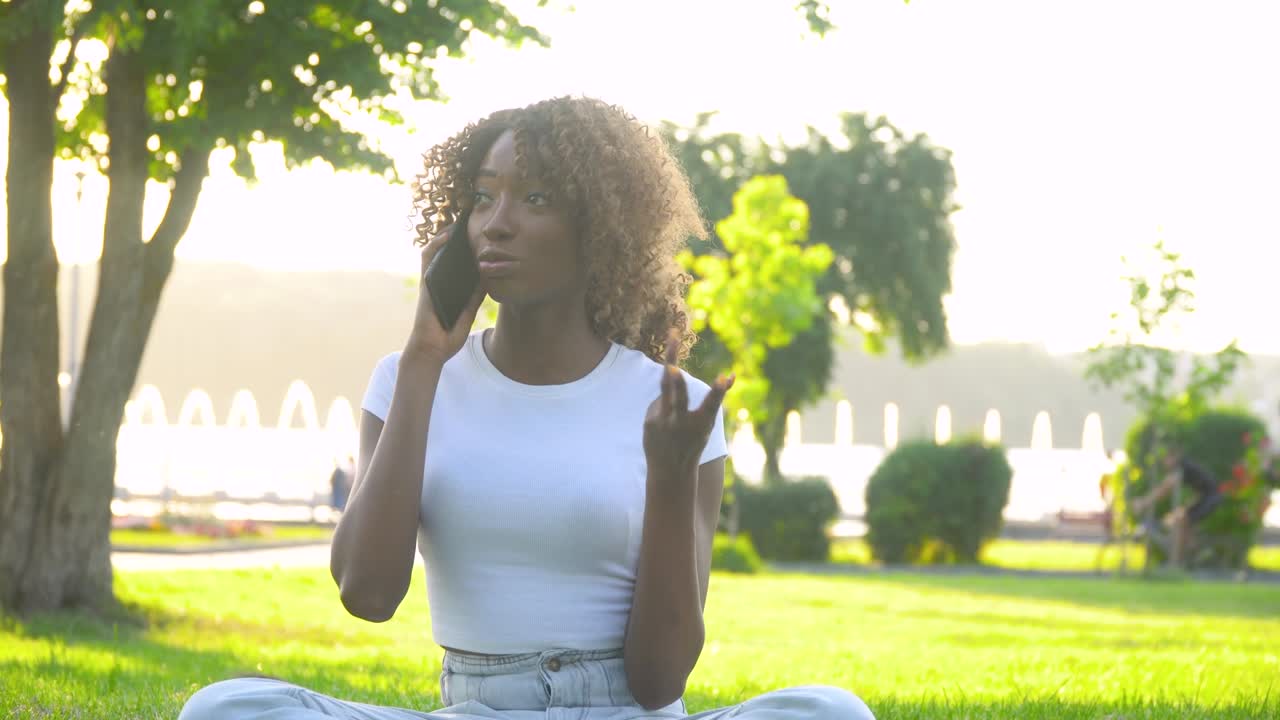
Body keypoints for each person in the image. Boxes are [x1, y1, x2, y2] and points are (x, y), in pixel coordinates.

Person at [178, 97, 874, 720]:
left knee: (831, 711)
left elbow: (659, 681)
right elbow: (367, 594)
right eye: (483, 198)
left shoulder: (678, 409)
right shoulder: (408, 379)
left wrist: (669, 478)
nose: (497, 224)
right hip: (476, 709)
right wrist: (423, 361)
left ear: (599, 228)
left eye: (536, 199)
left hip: (626, 713)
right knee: (227, 707)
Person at [1129, 445, 1223, 568]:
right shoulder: (1184, 467)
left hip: (1211, 498)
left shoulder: (1181, 467)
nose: (1164, 463)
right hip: (1205, 497)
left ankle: (1176, 562)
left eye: (1166, 459)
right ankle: (1193, 552)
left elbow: (1164, 490)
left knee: (1181, 522)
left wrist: (1143, 502)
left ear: (1174, 457)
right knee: (1175, 519)